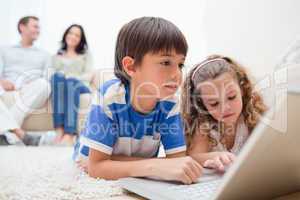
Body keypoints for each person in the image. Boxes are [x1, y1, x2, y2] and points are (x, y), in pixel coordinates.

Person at [73, 17, 203, 185]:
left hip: (118, 160)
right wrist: (154, 165)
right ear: (131, 67)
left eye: (180, 64)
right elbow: (96, 167)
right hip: (86, 158)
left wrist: (116, 161)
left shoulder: (170, 105)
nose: (177, 74)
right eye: (165, 62)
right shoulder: (109, 98)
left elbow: (176, 162)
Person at [181, 55, 267, 172]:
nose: (225, 108)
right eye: (214, 103)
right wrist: (213, 156)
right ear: (201, 104)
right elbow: (194, 156)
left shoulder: (251, 115)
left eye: (231, 97)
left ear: (242, 89)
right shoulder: (204, 126)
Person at [0, 16, 51, 145]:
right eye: (35, 26)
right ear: (22, 27)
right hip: (7, 88)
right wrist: (2, 81)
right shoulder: (5, 50)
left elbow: (48, 77)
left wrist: (30, 83)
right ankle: (18, 134)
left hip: (31, 90)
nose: (38, 30)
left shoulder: (44, 54)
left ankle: (8, 132)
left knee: (44, 84)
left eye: (39, 27)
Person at [50, 24, 93, 146]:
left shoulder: (85, 55)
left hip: (80, 85)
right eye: (71, 33)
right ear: (66, 35)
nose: (73, 36)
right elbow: (52, 74)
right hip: (62, 86)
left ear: (81, 39)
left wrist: (72, 77)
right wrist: (63, 76)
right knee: (57, 78)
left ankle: (70, 133)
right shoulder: (57, 56)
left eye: (77, 35)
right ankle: (59, 130)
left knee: (70, 82)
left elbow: (89, 74)